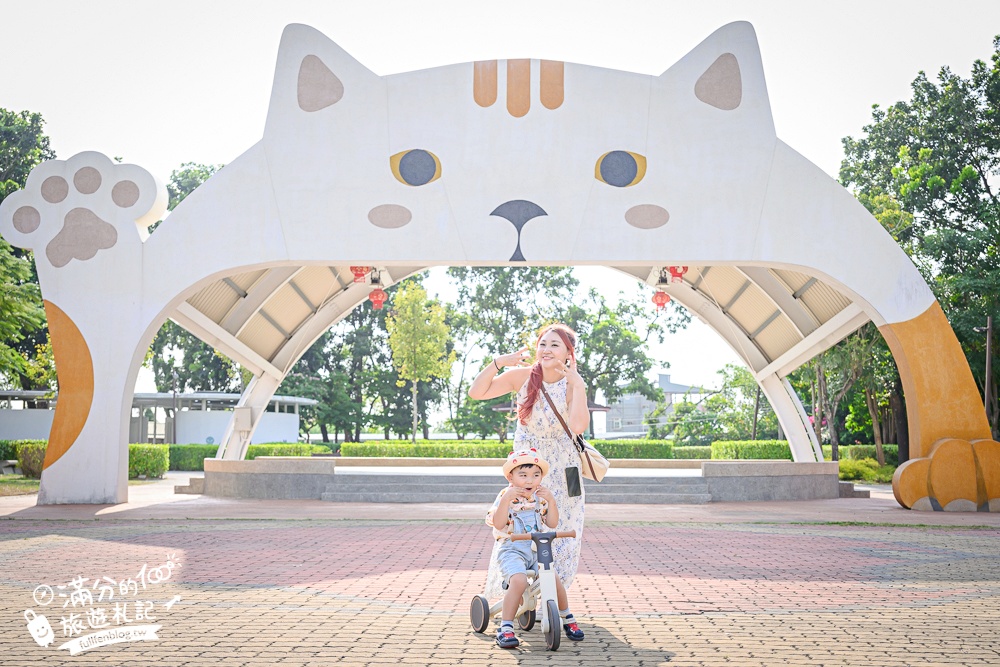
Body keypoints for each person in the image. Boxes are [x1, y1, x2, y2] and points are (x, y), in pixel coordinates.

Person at [469, 323, 589, 644]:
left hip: (567, 470)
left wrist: (578, 384)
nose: (546, 350)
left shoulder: (573, 383)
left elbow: (578, 425)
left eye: (555, 345)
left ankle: (552, 602)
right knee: (522, 524)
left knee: (564, 534)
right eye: (542, 343)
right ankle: (521, 594)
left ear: (569, 353)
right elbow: (476, 392)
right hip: (529, 465)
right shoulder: (523, 376)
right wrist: (499, 362)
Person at [486, 449, 585, 649]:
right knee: (519, 580)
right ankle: (505, 627)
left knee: (553, 579)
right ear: (510, 477)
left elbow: (552, 523)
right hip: (512, 549)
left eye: (535, 475)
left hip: (536, 548)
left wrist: (552, 501)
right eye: (523, 475)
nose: (530, 480)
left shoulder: (540, 498)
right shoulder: (505, 495)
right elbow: (498, 523)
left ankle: (566, 617)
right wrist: (505, 500)